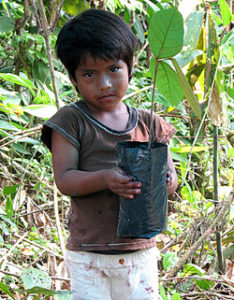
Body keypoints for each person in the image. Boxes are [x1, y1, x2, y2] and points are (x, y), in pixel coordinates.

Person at [41, 8, 177, 300]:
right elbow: (64, 179)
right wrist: (106, 179)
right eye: (90, 74)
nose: (104, 84)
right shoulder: (71, 121)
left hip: (140, 252)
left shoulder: (149, 123)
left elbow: (171, 179)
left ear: (130, 66)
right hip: (90, 255)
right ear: (73, 78)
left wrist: (166, 179)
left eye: (113, 69)